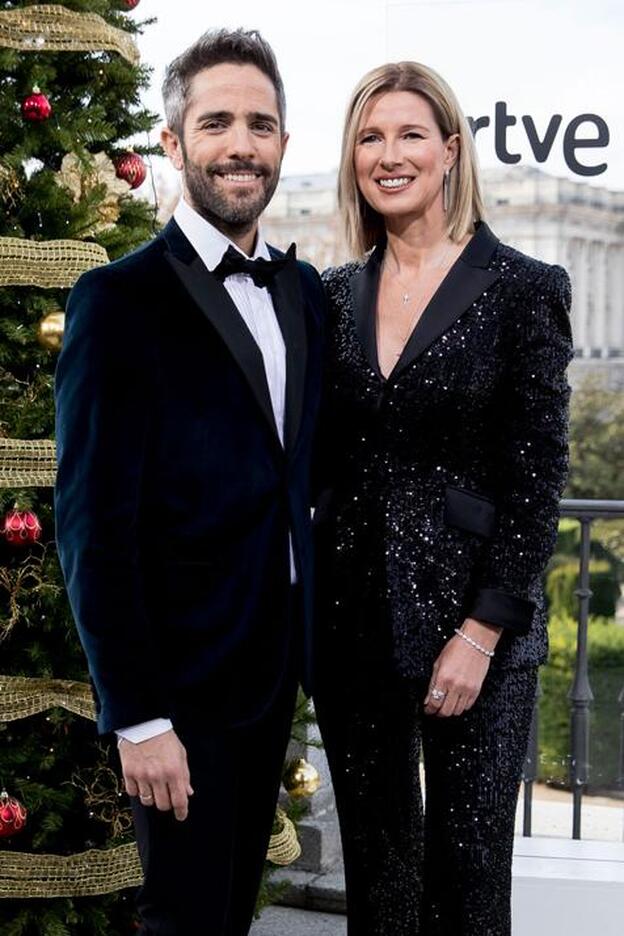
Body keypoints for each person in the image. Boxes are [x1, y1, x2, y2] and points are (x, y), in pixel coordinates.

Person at [55, 28, 324, 935]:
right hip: (178, 694)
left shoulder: (303, 295)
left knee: (229, 919)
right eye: (217, 122)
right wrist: (137, 719)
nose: (241, 143)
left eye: (261, 123)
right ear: (174, 143)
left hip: (273, 676)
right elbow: (93, 528)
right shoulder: (116, 302)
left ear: (284, 143)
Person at [313, 61, 573, 936]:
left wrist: (481, 631)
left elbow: (537, 480)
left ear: (452, 150)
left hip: (477, 638)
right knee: (379, 894)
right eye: (370, 137)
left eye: (410, 134)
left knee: (466, 893)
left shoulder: (525, 289)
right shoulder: (332, 296)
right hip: (353, 633)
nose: (390, 155)